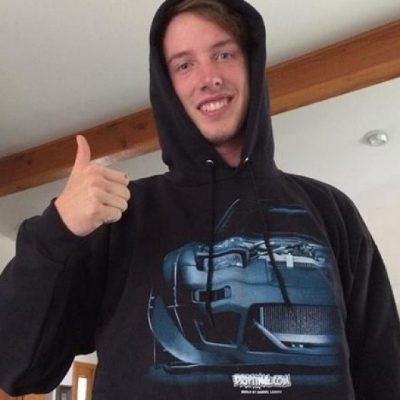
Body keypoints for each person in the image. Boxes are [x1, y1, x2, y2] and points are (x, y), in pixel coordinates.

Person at [0, 0, 399, 399]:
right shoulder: (122, 215)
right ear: (166, 85)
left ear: (251, 65)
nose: (209, 78)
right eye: (184, 65)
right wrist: (57, 231)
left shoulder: (331, 211)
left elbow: (384, 371)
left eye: (223, 54)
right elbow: (16, 368)